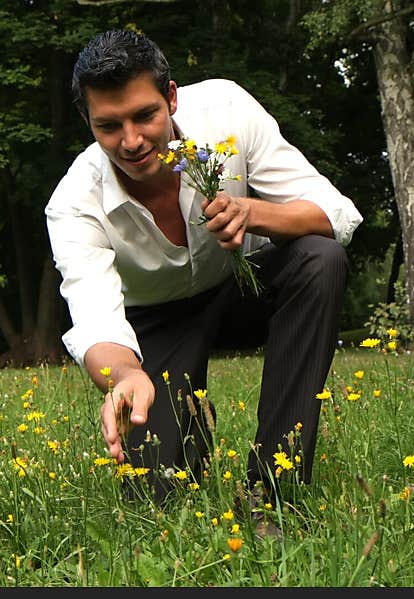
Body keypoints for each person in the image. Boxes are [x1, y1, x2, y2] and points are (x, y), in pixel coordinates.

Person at [45, 28, 363, 524]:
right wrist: (127, 377)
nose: (131, 141)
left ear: (171, 98)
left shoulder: (227, 111)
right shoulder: (73, 205)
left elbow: (335, 214)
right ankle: (185, 447)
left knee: (318, 259)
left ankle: (274, 489)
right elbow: (96, 322)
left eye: (145, 115)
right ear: (87, 121)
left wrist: (252, 212)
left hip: (246, 287)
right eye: (109, 126)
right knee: (158, 498)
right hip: (157, 324)